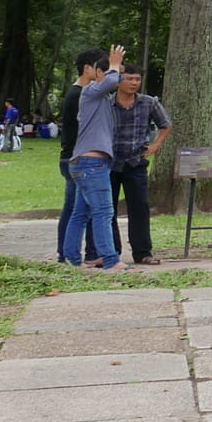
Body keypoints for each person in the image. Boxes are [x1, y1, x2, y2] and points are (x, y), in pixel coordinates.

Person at [62, 43, 125, 270]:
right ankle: (110, 259)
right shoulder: (90, 92)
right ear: (98, 73)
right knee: (103, 212)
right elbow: (110, 81)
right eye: (111, 71)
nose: (117, 77)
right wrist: (114, 64)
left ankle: (72, 258)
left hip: (87, 163)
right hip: (92, 163)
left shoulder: (99, 99)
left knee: (81, 212)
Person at [109, 64, 171, 266]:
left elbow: (165, 124)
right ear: (119, 80)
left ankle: (143, 252)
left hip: (135, 162)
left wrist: (155, 145)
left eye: (137, 79)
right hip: (109, 162)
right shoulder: (107, 103)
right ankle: (111, 251)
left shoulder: (149, 102)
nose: (134, 83)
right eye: (129, 79)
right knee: (107, 209)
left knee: (140, 207)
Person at [55, 50, 108, 263]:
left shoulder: (81, 93)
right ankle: (67, 254)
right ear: (87, 68)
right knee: (75, 210)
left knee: (81, 209)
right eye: (99, 66)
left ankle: (83, 254)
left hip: (76, 157)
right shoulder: (79, 95)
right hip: (77, 158)